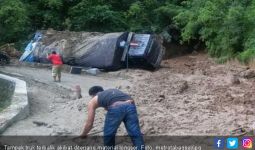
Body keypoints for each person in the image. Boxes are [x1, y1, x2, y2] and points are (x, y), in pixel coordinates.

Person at [80, 86, 145, 149]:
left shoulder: (93, 100)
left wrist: (83, 134)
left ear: (92, 95)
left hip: (116, 106)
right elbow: (130, 101)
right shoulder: (111, 92)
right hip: (130, 104)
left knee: (109, 134)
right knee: (135, 132)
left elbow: (89, 123)